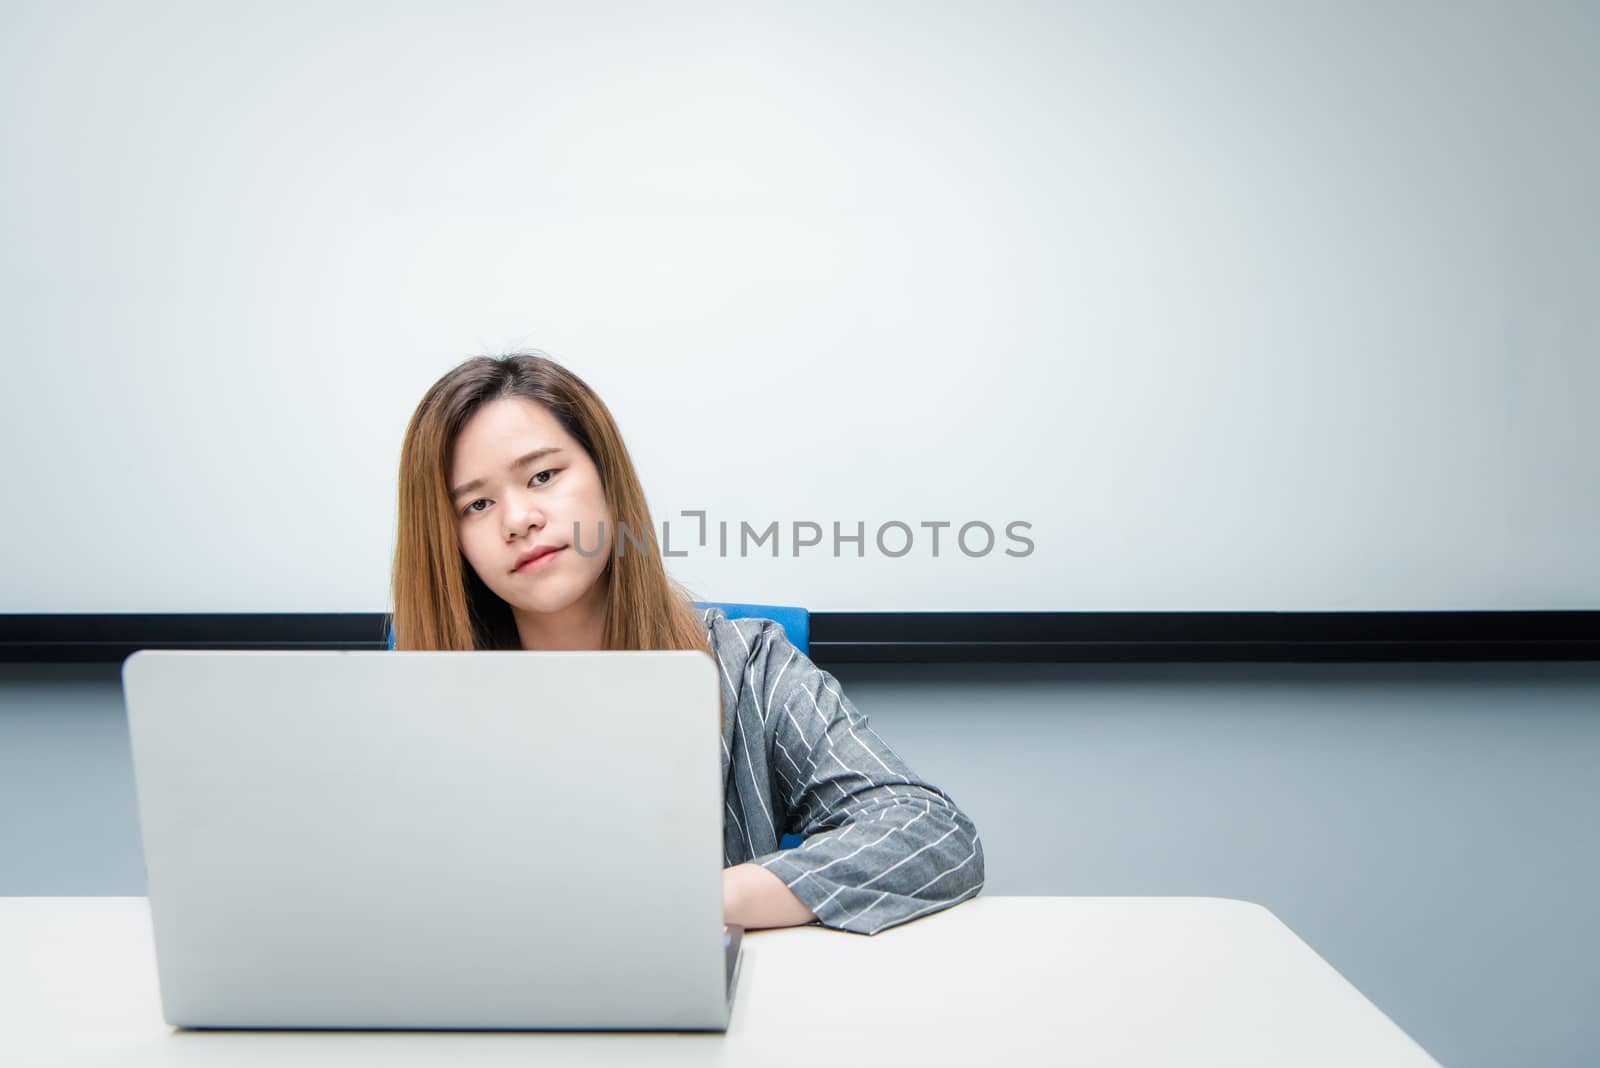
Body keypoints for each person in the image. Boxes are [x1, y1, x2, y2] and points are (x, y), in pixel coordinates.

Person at [390, 352, 984, 935]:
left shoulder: (750, 666)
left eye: (543, 475)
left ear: (607, 479)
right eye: (477, 504)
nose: (518, 519)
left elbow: (930, 834)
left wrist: (691, 900)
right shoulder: (410, 705)